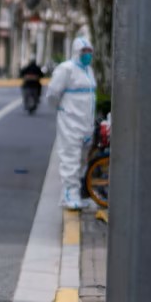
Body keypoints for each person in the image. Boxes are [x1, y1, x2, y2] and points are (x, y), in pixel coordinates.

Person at [47, 37, 97, 209]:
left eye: (90, 51)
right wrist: (63, 110)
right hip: (70, 121)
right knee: (70, 159)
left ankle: (74, 194)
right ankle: (69, 196)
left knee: (82, 159)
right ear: (77, 52)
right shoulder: (66, 69)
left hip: (86, 123)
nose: (87, 55)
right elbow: (53, 94)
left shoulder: (88, 71)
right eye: (84, 51)